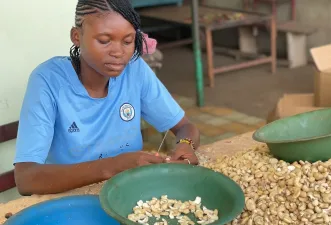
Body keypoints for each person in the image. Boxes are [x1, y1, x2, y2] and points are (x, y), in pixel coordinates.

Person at [14, 0, 200, 196]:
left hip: (128, 195)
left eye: (127, 41)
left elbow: (186, 127)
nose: (118, 52)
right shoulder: (48, 81)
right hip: (70, 202)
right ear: (76, 36)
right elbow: (26, 178)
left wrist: (185, 145)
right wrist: (112, 167)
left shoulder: (134, 70)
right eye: (104, 40)